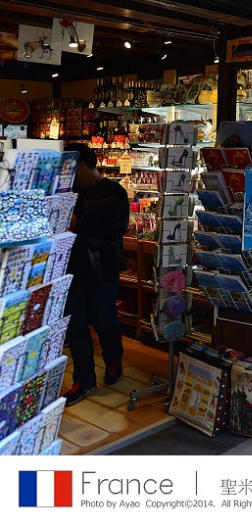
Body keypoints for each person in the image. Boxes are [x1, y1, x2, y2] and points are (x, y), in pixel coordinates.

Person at [63, 142, 130, 406]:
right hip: (73, 268)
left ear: (81, 164)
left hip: (103, 268)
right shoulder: (69, 191)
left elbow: (117, 229)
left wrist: (80, 223)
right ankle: (84, 379)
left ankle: (113, 362)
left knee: (104, 320)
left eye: (69, 166)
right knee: (76, 324)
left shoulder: (114, 191)